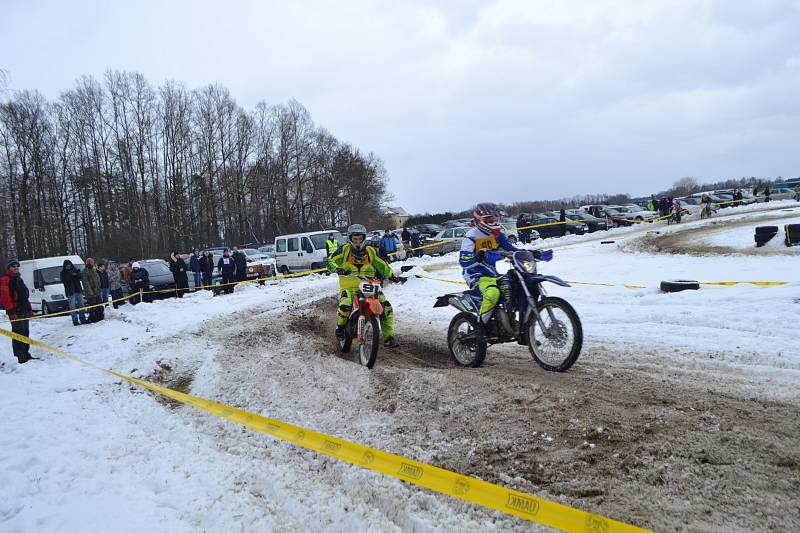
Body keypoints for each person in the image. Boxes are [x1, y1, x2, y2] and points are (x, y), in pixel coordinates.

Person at [328, 224, 403, 348]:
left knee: (387, 307)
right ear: (350, 238)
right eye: (355, 239)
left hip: (370, 285)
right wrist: (338, 269)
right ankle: (340, 328)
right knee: (345, 305)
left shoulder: (370, 251)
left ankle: (389, 337)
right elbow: (330, 261)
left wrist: (391, 275)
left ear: (364, 238)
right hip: (349, 287)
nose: (357, 241)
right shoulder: (343, 250)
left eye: (360, 239)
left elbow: (382, 265)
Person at [459, 203, 518, 337]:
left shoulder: (498, 235)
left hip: (493, 274)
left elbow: (512, 249)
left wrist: (532, 253)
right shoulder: (471, 236)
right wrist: (477, 257)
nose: (494, 222)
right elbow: (463, 261)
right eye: (490, 219)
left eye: (495, 219)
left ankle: (512, 322)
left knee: (515, 285)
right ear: (480, 220)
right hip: (476, 275)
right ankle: (480, 328)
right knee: (492, 293)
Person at [1, 260, 34, 363]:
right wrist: (11, 312)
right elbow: (5, 298)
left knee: (25, 332)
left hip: (24, 308)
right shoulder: (5, 280)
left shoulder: (19, 278)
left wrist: (29, 309)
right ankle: (19, 356)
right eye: (13, 266)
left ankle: (26, 353)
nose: (16, 267)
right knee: (18, 333)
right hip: (15, 310)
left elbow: (24, 295)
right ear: (8, 268)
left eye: (17, 266)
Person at [60, 259, 87, 326]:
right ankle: (75, 321)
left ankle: (82, 319)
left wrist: (76, 273)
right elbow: (64, 281)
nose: (68, 266)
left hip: (78, 290)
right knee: (72, 307)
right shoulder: (63, 273)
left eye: (69, 265)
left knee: (82, 305)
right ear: (65, 266)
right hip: (70, 292)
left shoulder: (74, 269)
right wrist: (69, 274)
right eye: (67, 265)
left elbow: (80, 277)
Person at [82, 257, 103, 322]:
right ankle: (93, 318)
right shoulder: (85, 271)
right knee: (93, 306)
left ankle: (99, 316)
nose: (92, 263)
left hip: (97, 291)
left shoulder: (94, 270)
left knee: (99, 305)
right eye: (91, 262)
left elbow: (97, 279)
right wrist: (90, 292)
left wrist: (99, 287)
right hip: (91, 293)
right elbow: (86, 283)